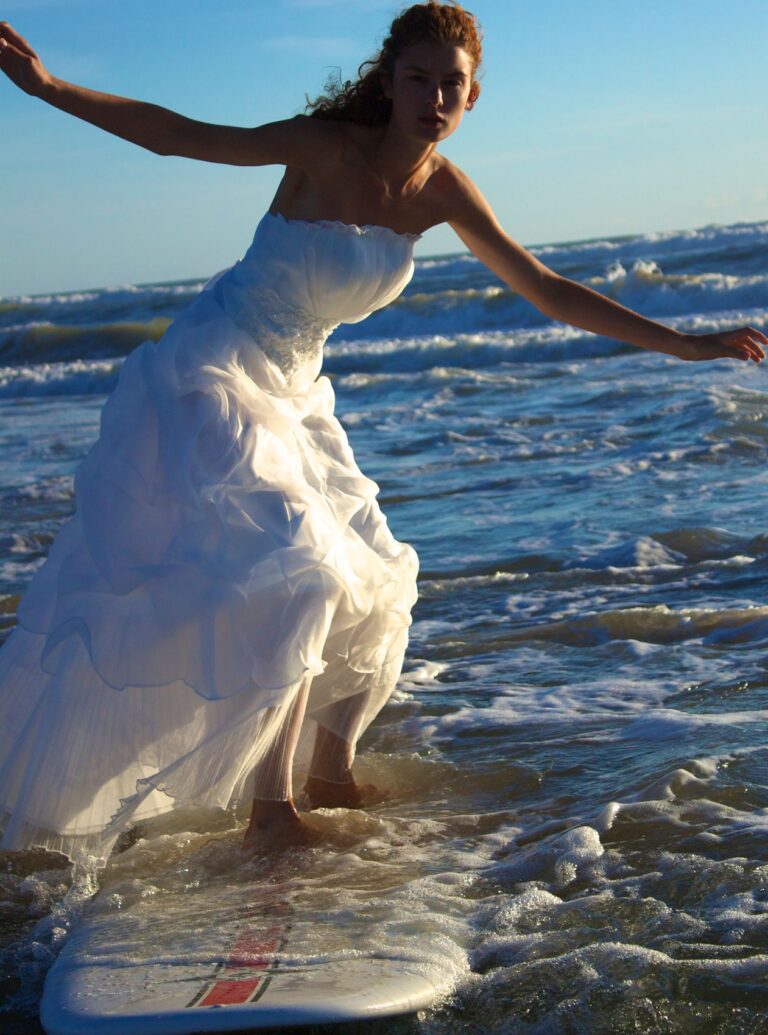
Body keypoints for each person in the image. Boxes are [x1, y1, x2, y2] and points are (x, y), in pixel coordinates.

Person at [0, 3, 765, 865]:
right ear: (389, 81)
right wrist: (49, 88)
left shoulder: (443, 190)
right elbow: (180, 137)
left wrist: (684, 342)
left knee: (380, 577)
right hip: (215, 371)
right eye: (418, 79)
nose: (434, 98)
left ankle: (330, 774)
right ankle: (271, 811)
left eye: (452, 85)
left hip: (295, 394)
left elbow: (546, 288)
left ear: (473, 97)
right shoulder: (327, 149)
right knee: (305, 573)